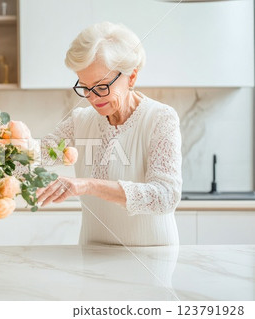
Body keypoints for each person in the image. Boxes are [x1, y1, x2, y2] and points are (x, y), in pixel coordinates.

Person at [36, 21, 182, 246]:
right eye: (85, 88)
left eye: (102, 86)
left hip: (153, 259)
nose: (93, 98)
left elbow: (165, 196)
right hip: (93, 256)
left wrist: (88, 185)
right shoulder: (80, 121)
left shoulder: (160, 118)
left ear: (131, 77)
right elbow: (37, 154)